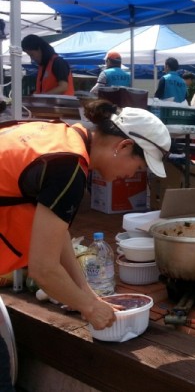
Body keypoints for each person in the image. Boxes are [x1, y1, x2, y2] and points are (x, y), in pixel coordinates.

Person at [0, 100, 170, 333]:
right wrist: (89, 308)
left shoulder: (62, 138)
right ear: (124, 146)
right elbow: (43, 270)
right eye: (139, 167)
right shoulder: (67, 166)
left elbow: (56, 235)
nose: (132, 174)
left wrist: (87, 294)